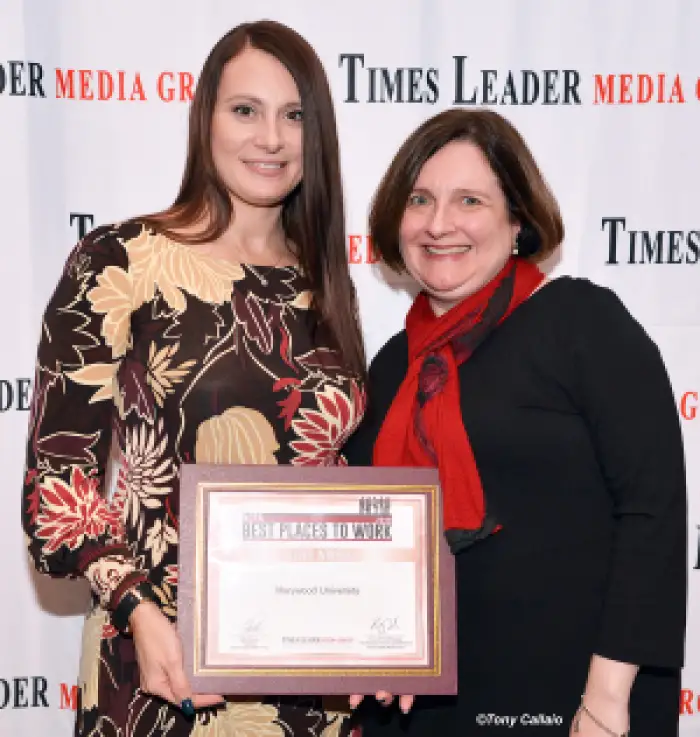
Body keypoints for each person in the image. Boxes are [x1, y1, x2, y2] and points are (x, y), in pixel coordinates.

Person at [21, 20, 366, 737]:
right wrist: (139, 614)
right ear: (204, 118)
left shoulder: (323, 282)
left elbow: (334, 481)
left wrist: (372, 627)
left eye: (294, 114)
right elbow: (59, 480)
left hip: (310, 675)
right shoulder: (122, 259)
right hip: (162, 664)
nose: (270, 137)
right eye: (245, 110)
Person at [342, 109, 687, 737]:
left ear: (517, 220)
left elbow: (652, 510)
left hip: (574, 701)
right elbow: (374, 535)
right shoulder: (393, 366)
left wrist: (607, 697)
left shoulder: (581, 322)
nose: (439, 223)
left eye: (469, 199)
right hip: (423, 710)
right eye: (420, 199)